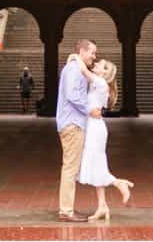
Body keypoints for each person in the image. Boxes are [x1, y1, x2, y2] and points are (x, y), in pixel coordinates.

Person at [68, 53, 135, 222]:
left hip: (95, 129)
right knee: (96, 166)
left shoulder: (99, 82)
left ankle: (119, 183)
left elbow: (84, 71)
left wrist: (75, 57)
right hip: (93, 126)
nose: (97, 63)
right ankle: (102, 206)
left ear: (104, 74)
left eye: (102, 65)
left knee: (95, 165)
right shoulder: (99, 84)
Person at [56, 39, 101, 222]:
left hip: (72, 123)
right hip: (72, 124)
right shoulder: (74, 69)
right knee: (70, 168)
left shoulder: (74, 67)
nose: (94, 56)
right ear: (82, 51)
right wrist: (90, 110)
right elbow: (72, 95)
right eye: (92, 52)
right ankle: (66, 211)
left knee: (70, 167)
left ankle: (66, 209)